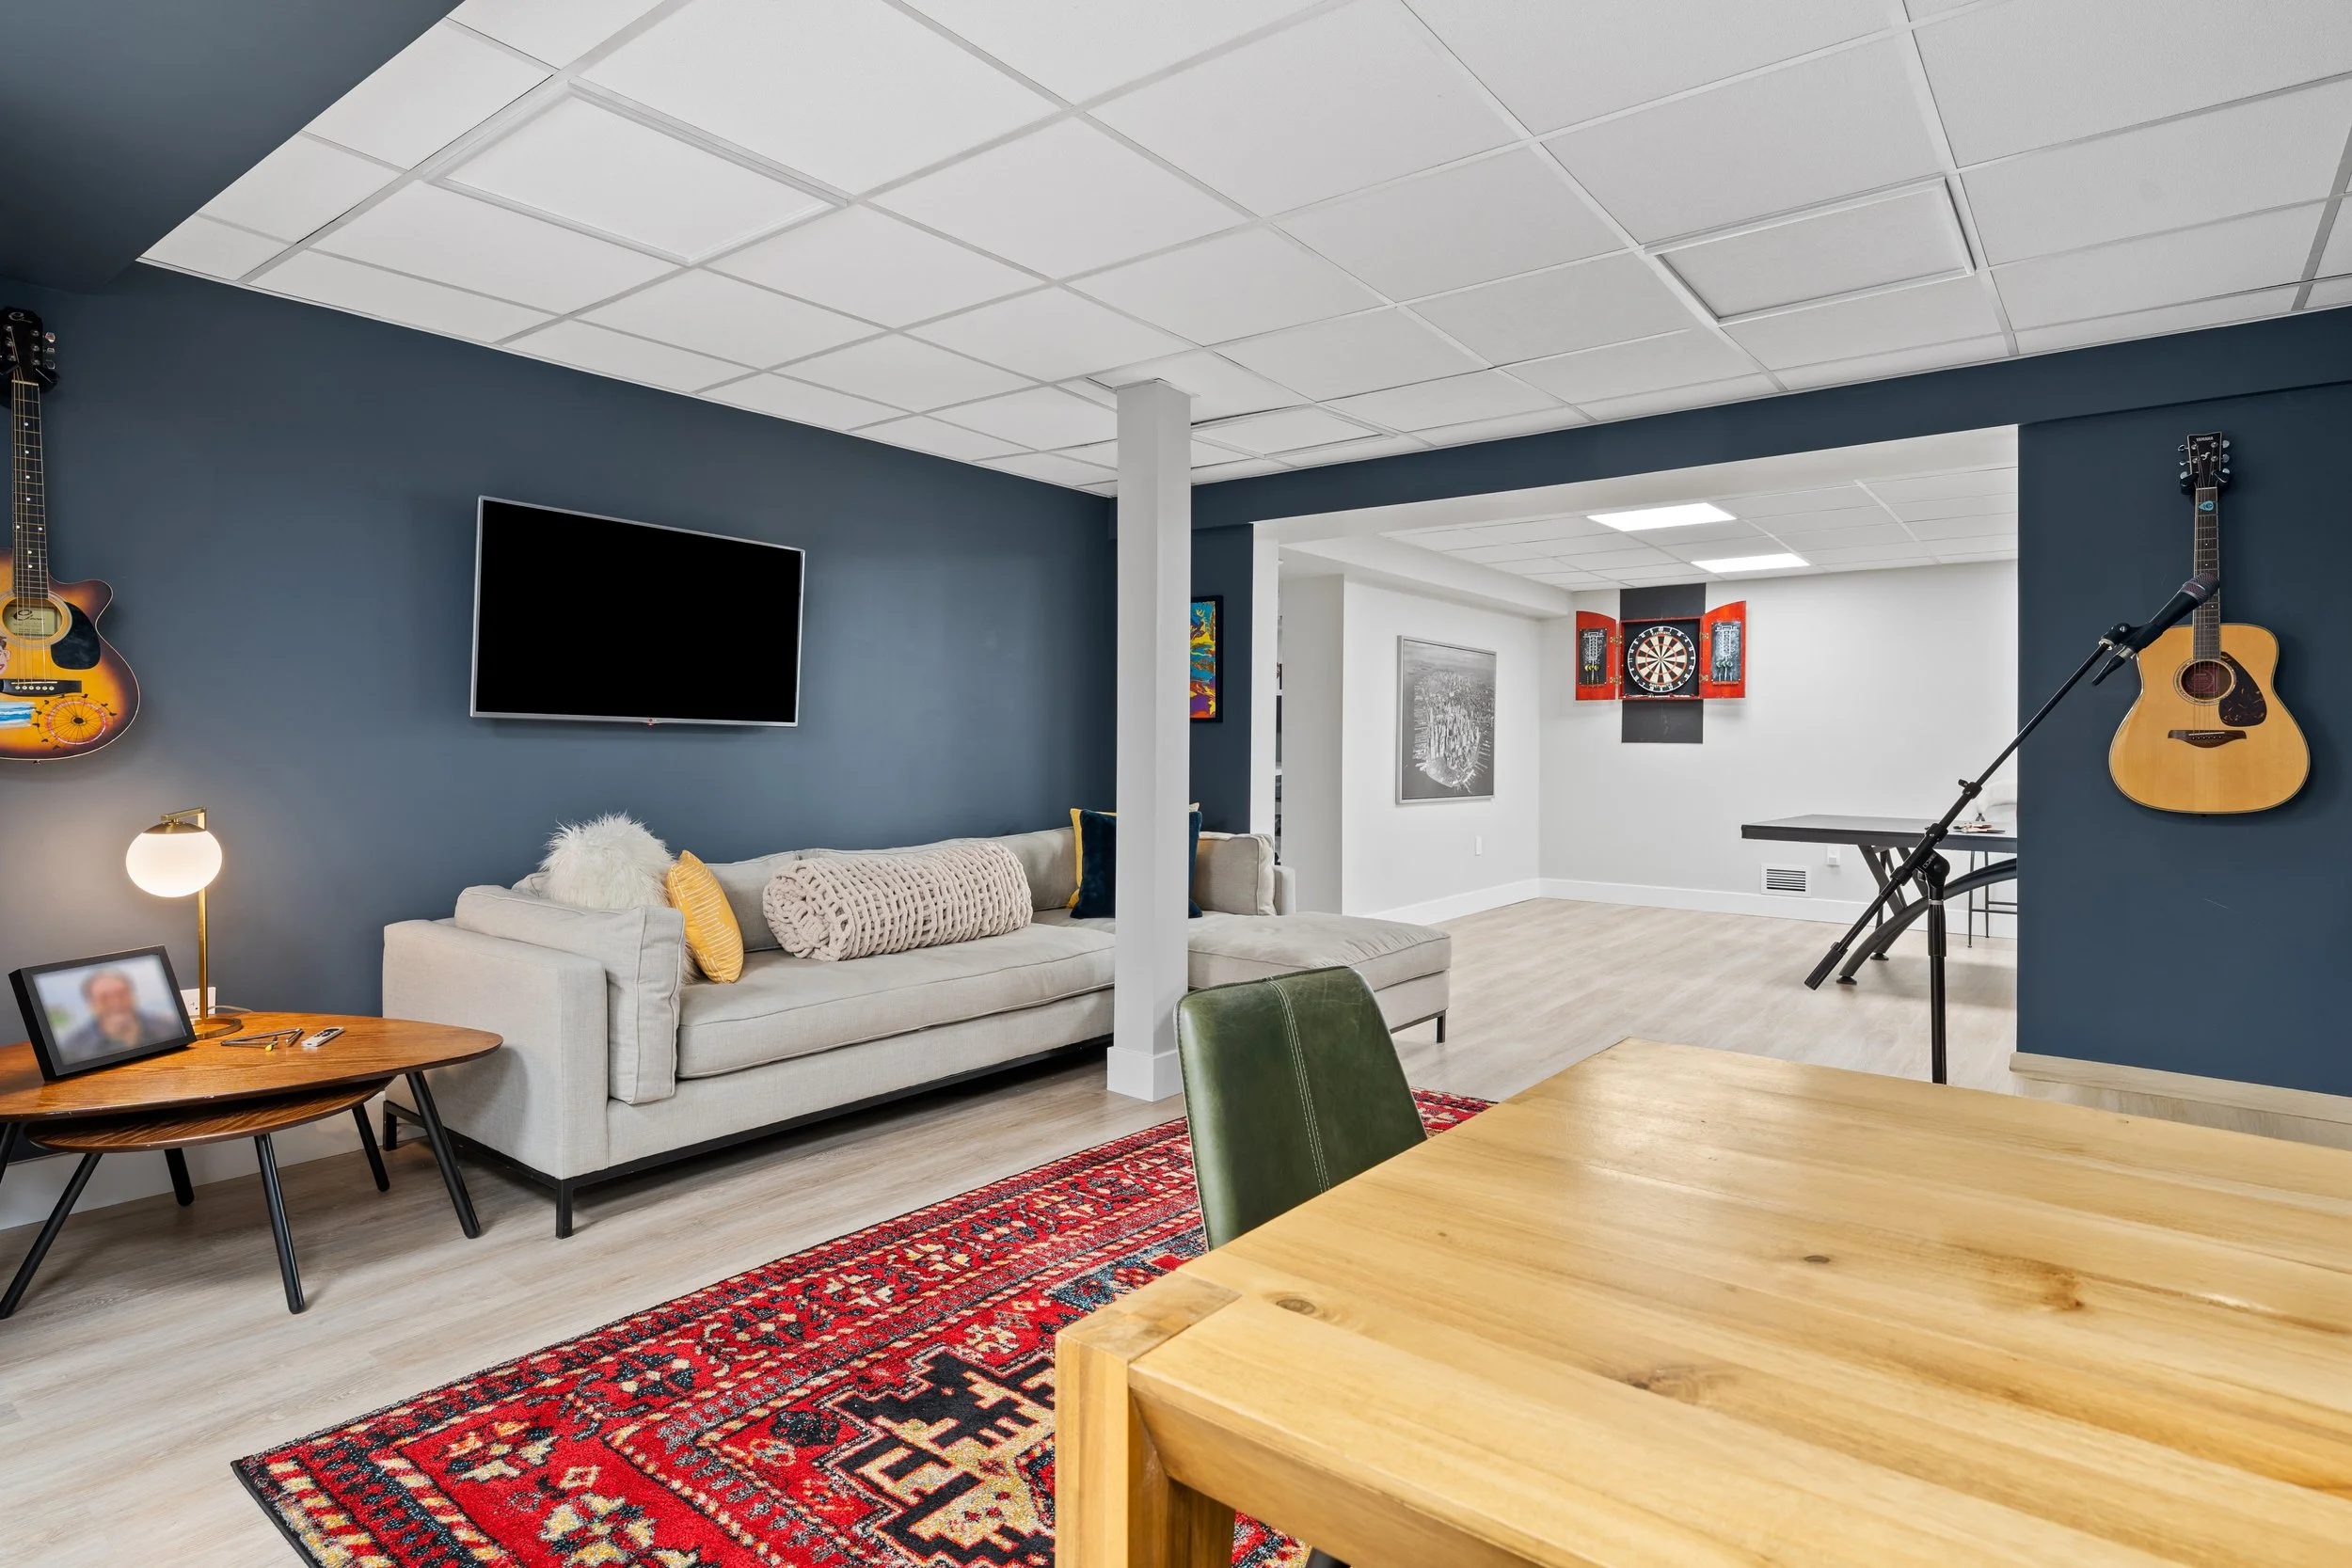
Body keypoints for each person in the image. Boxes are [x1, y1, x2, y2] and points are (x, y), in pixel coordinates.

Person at [55, 967, 181, 1064]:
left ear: (133, 996)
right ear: (90, 1004)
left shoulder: (171, 1028)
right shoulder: (73, 1049)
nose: (116, 1003)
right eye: (104, 998)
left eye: (122, 994)